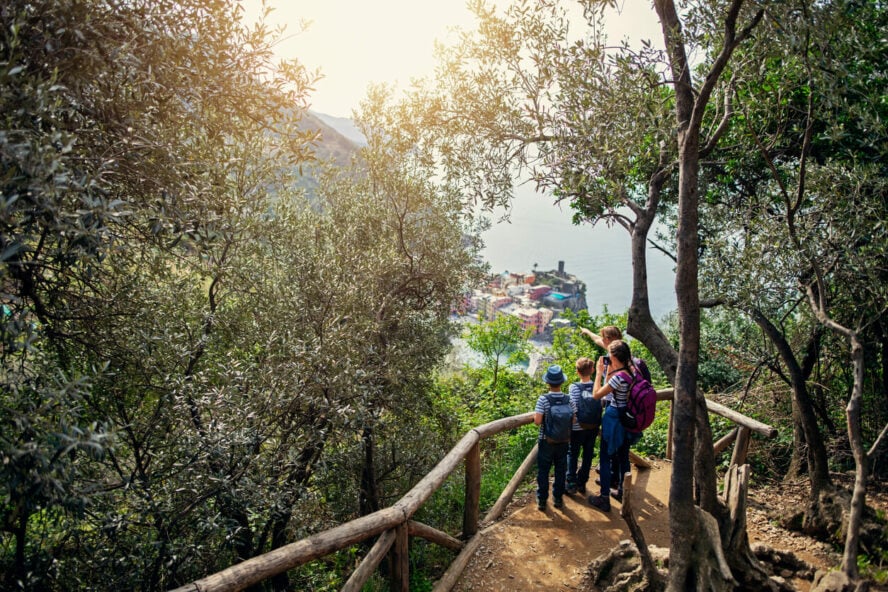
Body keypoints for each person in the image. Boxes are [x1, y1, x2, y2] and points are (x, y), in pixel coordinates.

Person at [587, 340, 639, 513]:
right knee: (623, 457)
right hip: (625, 419)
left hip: (613, 418)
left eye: (610, 354)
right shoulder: (631, 371)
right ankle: (623, 493)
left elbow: (596, 395)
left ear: (615, 357)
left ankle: (604, 498)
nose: (608, 356)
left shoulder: (618, 378)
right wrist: (610, 370)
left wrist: (599, 373)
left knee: (605, 457)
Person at [534, 364, 574, 511]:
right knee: (560, 470)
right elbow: (574, 419)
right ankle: (557, 498)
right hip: (564, 440)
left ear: (548, 382)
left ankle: (542, 500)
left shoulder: (543, 399)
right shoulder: (568, 399)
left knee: (543, 470)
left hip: (546, 440)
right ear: (561, 382)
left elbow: (538, 421)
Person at [566, 357, 600, 496]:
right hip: (592, 427)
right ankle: (582, 483)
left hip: (577, 428)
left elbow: (572, 406)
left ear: (577, 372)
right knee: (588, 454)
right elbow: (602, 402)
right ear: (592, 370)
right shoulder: (597, 386)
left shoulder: (573, 387)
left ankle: (571, 483)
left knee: (573, 454)